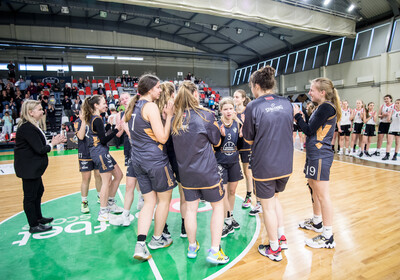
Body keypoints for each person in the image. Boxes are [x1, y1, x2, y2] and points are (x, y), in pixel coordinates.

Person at [171, 81, 229, 264]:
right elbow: (217, 142)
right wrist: (220, 132)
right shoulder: (206, 115)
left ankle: (192, 246)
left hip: (186, 174)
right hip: (207, 172)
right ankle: (214, 250)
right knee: (218, 207)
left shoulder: (175, 118)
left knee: (190, 210)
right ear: (195, 94)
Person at [243, 66, 293, 262]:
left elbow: (247, 139)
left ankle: (274, 248)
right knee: (275, 200)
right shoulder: (287, 103)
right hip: (285, 163)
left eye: (251, 87)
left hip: (265, 164)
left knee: (267, 206)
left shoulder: (253, 106)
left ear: (256, 86)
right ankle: (281, 236)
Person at [126, 74, 176, 261]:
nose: (160, 90)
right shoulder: (151, 107)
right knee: (164, 201)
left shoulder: (132, 107)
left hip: (137, 161)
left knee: (149, 202)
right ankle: (156, 239)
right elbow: (163, 138)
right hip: (154, 161)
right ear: (148, 89)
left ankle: (140, 244)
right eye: (157, 87)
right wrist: (169, 117)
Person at [294, 77, 341, 250]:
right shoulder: (322, 107)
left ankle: (328, 236)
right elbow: (312, 128)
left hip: (321, 154)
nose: (309, 92)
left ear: (322, 92)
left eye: (312, 90)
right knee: (313, 187)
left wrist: (297, 115)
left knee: (323, 195)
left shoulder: (327, 107)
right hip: (314, 154)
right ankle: (316, 222)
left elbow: (307, 129)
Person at [14, 100, 66, 233]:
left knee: (38, 191)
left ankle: (38, 217)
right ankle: (33, 225)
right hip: (28, 169)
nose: (42, 111)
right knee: (30, 197)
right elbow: (40, 149)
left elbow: (38, 145)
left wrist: (53, 142)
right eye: (39, 109)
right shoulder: (27, 128)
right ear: (30, 112)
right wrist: (53, 143)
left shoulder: (32, 126)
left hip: (33, 169)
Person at [82, 95, 124, 222]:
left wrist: (108, 127)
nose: (106, 105)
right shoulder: (97, 119)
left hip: (100, 151)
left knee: (118, 175)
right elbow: (104, 140)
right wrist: (116, 129)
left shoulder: (94, 118)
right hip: (99, 151)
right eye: (103, 103)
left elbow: (98, 133)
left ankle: (110, 203)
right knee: (107, 181)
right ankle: (103, 211)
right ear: (96, 105)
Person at [155, 82, 187, 238]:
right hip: (179, 155)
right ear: (173, 94)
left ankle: (164, 227)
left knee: (162, 199)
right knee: (183, 194)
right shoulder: (178, 108)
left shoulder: (154, 109)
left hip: (161, 156)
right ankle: (184, 226)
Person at [216, 97, 243, 238]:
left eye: (230, 108)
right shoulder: (217, 124)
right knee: (224, 193)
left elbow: (239, 144)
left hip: (234, 161)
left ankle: (230, 216)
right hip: (220, 162)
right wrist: (220, 137)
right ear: (221, 110)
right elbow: (214, 145)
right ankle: (227, 220)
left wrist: (242, 136)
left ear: (234, 110)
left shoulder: (237, 124)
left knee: (232, 191)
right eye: (225, 109)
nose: (228, 111)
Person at [75, 109, 102, 213]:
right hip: (84, 153)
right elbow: (81, 136)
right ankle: (84, 202)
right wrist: (83, 121)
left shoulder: (94, 120)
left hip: (95, 151)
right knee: (86, 178)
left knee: (98, 175)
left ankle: (100, 196)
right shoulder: (78, 122)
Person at [233, 89, 253, 209]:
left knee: (248, 172)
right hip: (235, 146)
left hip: (246, 146)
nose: (235, 99)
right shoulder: (232, 111)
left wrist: (238, 120)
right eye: (234, 97)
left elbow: (249, 129)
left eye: (237, 97)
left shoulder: (248, 111)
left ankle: (249, 196)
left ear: (243, 99)